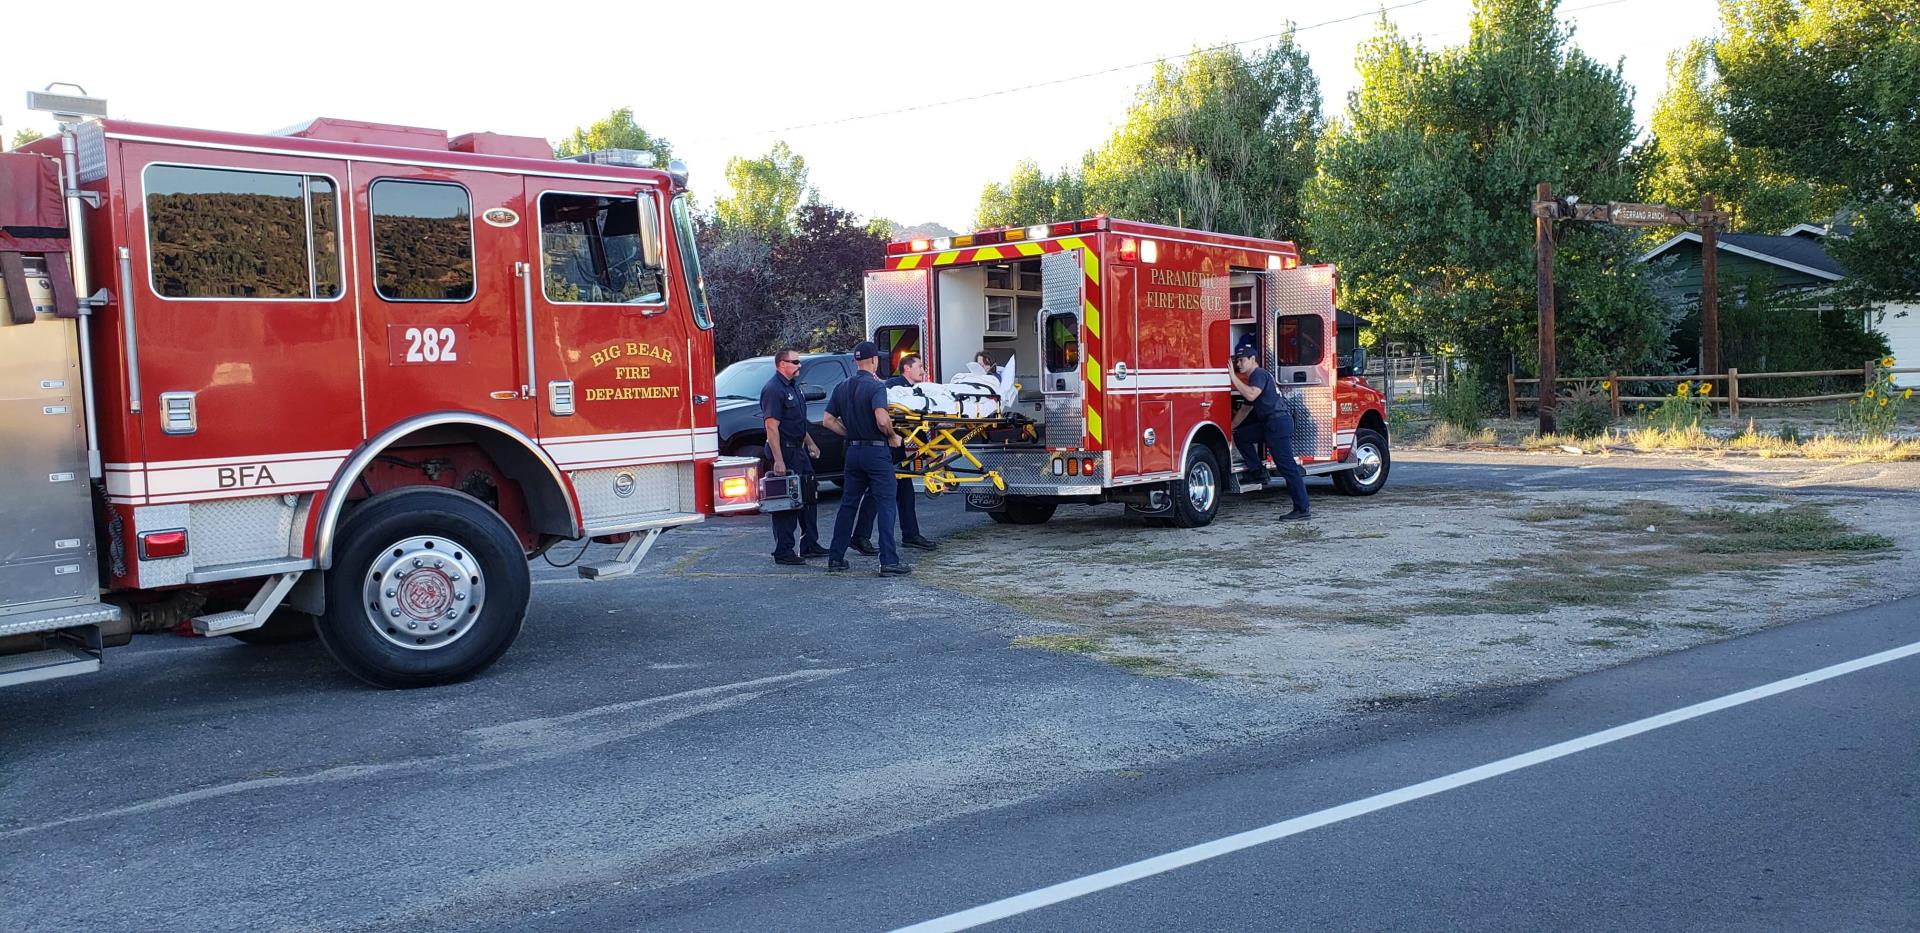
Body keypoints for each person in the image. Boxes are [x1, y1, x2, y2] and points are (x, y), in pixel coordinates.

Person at [823, 341, 912, 575]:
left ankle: (836, 558)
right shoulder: (875, 387)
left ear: (856, 361)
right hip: (876, 451)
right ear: (873, 361)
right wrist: (893, 436)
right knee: (885, 505)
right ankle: (888, 562)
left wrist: (850, 433)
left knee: (848, 505)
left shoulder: (842, 387)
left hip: (853, 452)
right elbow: (882, 419)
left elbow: (828, 420)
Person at [851, 353, 938, 554]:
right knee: (876, 492)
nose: (923, 371)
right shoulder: (893, 387)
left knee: (906, 492)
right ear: (907, 369)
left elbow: (915, 424)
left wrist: (927, 450)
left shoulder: (916, 391)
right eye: (920, 366)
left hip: (897, 448)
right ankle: (860, 536)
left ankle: (911, 534)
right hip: (886, 447)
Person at [1228, 336, 1311, 520]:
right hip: (1270, 424)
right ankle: (1258, 472)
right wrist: (1229, 429)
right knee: (1242, 436)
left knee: (1287, 467)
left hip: (1278, 423)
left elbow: (1250, 396)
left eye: (1241, 360)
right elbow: (1245, 409)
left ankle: (1302, 509)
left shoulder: (1258, 374)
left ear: (1252, 360)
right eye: (1236, 361)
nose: (1238, 364)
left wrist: (1233, 377)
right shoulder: (1253, 379)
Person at [759, 348, 826, 564]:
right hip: (785, 451)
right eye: (795, 362)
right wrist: (778, 460)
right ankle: (784, 551)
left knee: (808, 497)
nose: (799, 365)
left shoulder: (793, 388)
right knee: (786, 502)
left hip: (799, 450)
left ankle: (810, 545)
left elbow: (798, 422)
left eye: (799, 361)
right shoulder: (773, 389)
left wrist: (811, 444)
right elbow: (771, 427)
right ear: (782, 364)